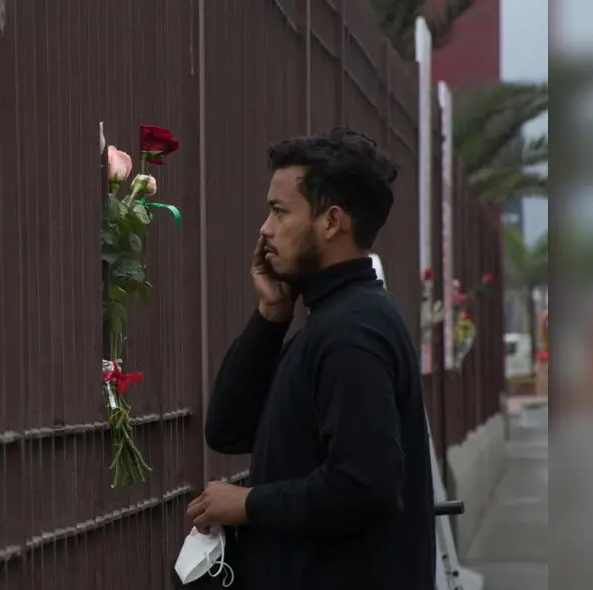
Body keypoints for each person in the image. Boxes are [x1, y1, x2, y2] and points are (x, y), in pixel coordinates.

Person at [186, 128, 435, 589]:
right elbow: (227, 428)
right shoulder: (330, 320)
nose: (265, 228)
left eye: (279, 211)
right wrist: (270, 317)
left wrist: (247, 504)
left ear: (331, 221)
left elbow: (366, 487)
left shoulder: (352, 333)